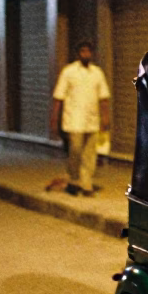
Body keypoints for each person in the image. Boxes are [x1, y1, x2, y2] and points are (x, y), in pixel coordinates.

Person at [50, 40, 110, 197]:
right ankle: (73, 179)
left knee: (90, 154)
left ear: (92, 54)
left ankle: (86, 184)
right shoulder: (68, 72)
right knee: (75, 150)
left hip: (92, 120)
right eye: (83, 51)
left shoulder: (97, 73)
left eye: (88, 52)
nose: (86, 54)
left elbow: (103, 97)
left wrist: (105, 117)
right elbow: (58, 97)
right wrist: (54, 119)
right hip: (73, 120)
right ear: (78, 54)